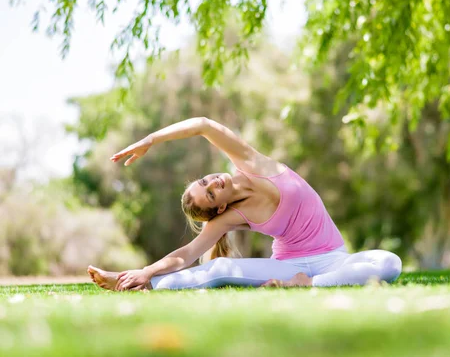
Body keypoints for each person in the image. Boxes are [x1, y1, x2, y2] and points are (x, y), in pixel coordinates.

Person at [87, 117, 402, 291]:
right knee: (219, 268)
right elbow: (186, 255)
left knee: (390, 263)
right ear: (220, 208)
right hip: (285, 265)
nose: (213, 184)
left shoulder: (250, 162)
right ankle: (133, 282)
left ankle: (311, 284)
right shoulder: (229, 217)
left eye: (205, 181)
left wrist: (151, 140)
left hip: (332, 259)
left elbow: (204, 126)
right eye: (210, 194)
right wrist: (146, 272)